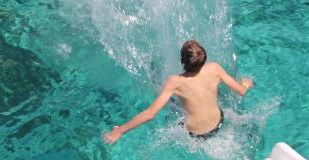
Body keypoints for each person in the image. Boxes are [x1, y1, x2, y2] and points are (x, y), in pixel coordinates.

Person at [103, 40, 253, 144]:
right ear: (204, 60)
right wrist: (245, 85)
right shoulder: (215, 68)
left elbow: (150, 114)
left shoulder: (175, 81)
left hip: (196, 137)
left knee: (172, 105)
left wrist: (120, 131)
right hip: (219, 124)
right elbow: (240, 91)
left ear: (182, 62)